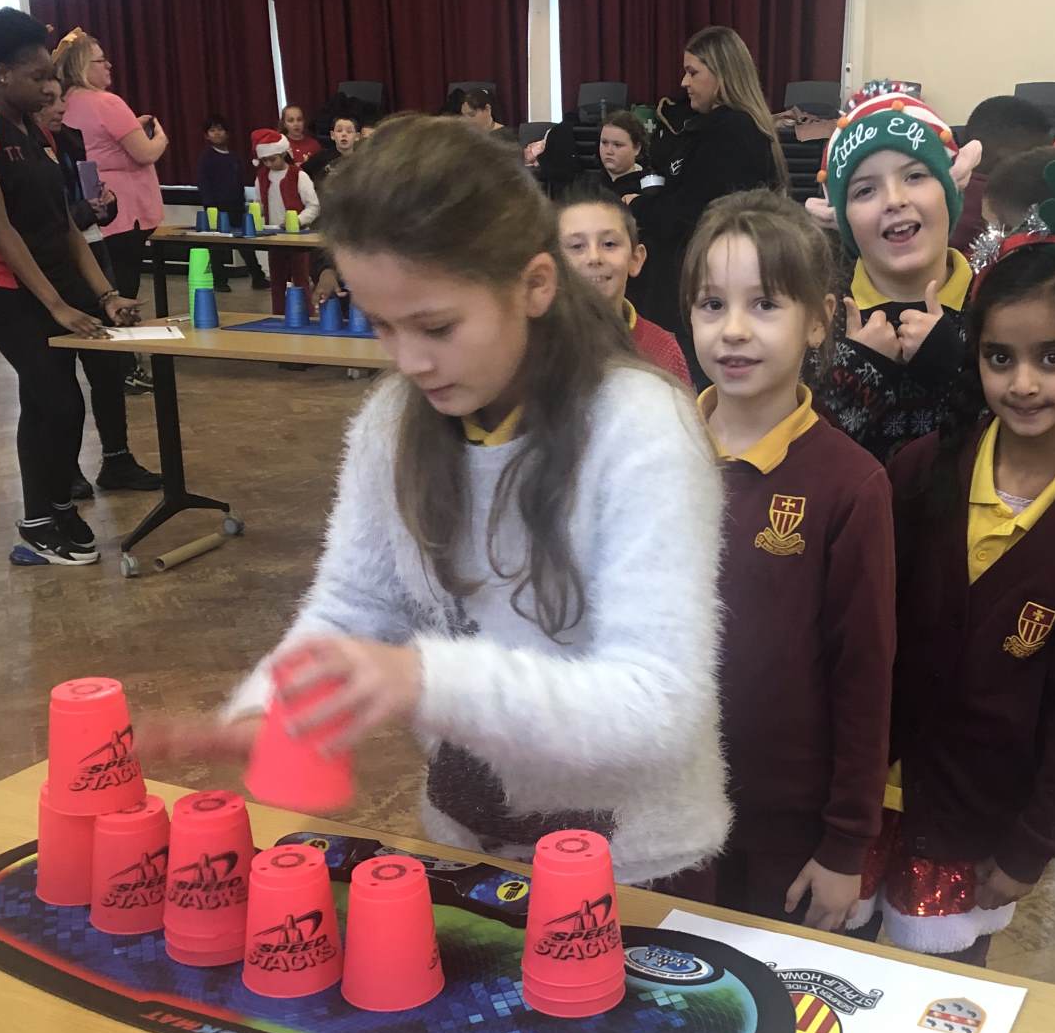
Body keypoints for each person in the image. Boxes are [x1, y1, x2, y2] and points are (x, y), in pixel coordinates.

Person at [144, 116, 730, 887]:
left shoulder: (640, 427)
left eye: (437, 326)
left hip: (634, 867)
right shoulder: (393, 423)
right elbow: (352, 606)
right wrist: (271, 707)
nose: (410, 361)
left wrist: (424, 679)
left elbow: (658, 705)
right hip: (465, 842)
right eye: (382, 325)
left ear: (535, 285)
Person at [855, 137, 1055, 960]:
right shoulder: (923, 473)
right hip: (868, 795)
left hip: (976, 823)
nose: (1023, 383)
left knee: (939, 988)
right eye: (1000, 358)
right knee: (833, 971)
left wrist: (1033, 846)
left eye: (1052, 358)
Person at [680, 190, 894, 928]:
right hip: (661, 809)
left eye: (765, 304)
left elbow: (864, 676)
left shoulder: (850, 484)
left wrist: (846, 845)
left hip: (784, 828)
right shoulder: (654, 452)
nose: (733, 330)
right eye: (712, 304)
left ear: (819, 320)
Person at [0, 9, 142, 565]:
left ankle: (54, 509)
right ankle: (39, 519)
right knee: (54, 398)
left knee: (55, 400)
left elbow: (64, 226)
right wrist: (56, 305)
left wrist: (105, 295)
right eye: (37, 76)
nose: (48, 87)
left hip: (47, 277)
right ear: (2, 73)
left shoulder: (37, 132)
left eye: (49, 75)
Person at [811, 82, 978, 464]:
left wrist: (955, 366)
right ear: (843, 219)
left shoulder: (995, 302)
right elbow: (801, 463)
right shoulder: (818, 318)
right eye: (865, 191)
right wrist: (858, 374)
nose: (894, 200)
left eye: (915, 176)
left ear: (949, 190)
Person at [628, 26, 786, 358]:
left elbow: (691, 213)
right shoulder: (721, 128)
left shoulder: (731, 131)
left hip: (705, 285)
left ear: (722, 73)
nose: (684, 82)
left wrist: (639, 206)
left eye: (693, 72)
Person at [37, 77, 161, 495]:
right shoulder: (24, 153)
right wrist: (82, 211)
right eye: (50, 101)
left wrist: (105, 206)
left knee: (107, 367)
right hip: (55, 268)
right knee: (60, 379)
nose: (60, 107)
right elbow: (49, 220)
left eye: (61, 99)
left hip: (93, 254)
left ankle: (117, 460)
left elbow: (89, 209)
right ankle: (66, 468)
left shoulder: (70, 140)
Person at [52, 27, 165, 304]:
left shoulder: (63, 103)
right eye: (101, 60)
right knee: (124, 285)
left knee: (98, 285)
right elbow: (145, 153)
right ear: (82, 66)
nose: (109, 65)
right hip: (123, 209)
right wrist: (161, 138)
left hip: (87, 207)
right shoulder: (107, 102)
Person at [555, 183, 691, 385]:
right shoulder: (533, 347)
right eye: (576, 246)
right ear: (553, 262)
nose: (593, 257)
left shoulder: (663, 349)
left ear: (636, 259)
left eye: (609, 244)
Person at [950, 95, 1055, 254]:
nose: (1041, 170)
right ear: (1002, 158)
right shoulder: (1004, 203)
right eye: (1034, 159)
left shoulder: (937, 184)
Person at [196, 113, 266, 292]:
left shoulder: (234, 157)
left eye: (220, 129)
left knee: (245, 242)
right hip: (216, 207)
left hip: (236, 206)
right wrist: (210, 206)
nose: (217, 133)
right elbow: (204, 184)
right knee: (217, 246)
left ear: (227, 133)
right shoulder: (206, 158)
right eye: (212, 130)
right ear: (206, 135)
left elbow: (239, 182)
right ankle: (220, 281)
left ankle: (258, 277)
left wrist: (243, 203)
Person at [251, 128, 320, 230]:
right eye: (265, 160)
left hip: (297, 232)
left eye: (272, 159)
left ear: (283, 154)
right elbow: (259, 204)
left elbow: (313, 206)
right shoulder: (261, 177)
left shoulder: (299, 175)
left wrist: (298, 220)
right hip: (270, 231)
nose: (269, 164)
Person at [597, 110, 652, 198]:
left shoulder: (649, 191)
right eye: (604, 143)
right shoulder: (587, 186)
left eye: (617, 145)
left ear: (637, 148)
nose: (609, 151)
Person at [303, 110, 359, 189]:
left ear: (357, 136)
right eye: (339, 131)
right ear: (332, 135)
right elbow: (303, 174)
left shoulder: (362, 159)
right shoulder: (321, 158)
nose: (344, 134)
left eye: (349, 131)